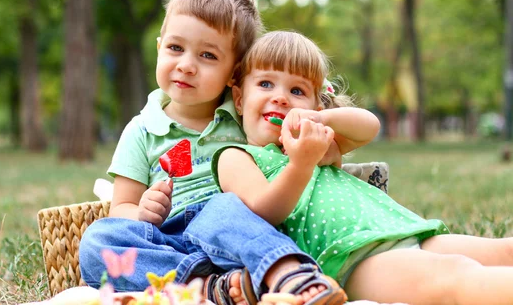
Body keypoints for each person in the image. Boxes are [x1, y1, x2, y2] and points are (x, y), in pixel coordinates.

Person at [79, 0, 348, 305]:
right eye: (176, 48)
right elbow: (120, 206)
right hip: (168, 243)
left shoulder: (244, 117)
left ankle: (288, 276)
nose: (187, 65)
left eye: (207, 55)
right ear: (160, 47)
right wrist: (143, 212)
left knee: (222, 207)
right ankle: (211, 288)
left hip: (239, 233)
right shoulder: (141, 130)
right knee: (97, 241)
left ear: (235, 72)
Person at [212, 30, 513, 305]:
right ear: (239, 99)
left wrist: (321, 121)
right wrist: (301, 163)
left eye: (297, 91)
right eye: (266, 84)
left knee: (505, 251)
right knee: (457, 278)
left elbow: (369, 126)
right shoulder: (236, 156)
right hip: (351, 258)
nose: (280, 97)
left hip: (401, 231)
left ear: (316, 107)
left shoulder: (319, 141)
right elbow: (264, 210)